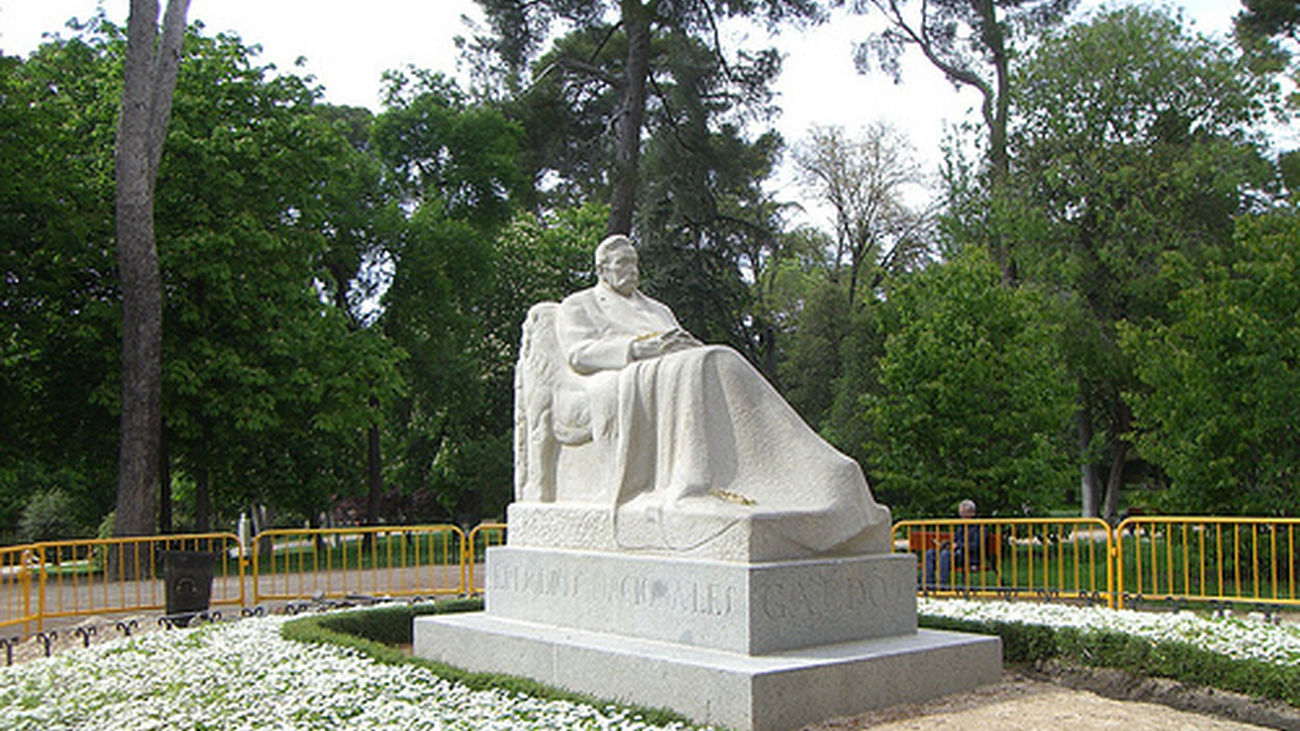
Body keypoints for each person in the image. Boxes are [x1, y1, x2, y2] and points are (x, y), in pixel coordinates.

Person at [549, 233, 890, 553]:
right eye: (624, 263)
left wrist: (676, 345)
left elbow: (682, 340)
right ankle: (694, 478)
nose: (632, 271)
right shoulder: (579, 305)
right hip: (625, 375)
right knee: (709, 363)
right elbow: (578, 354)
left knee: (715, 359)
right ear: (602, 268)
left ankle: (799, 471)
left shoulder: (657, 309)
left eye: (635, 263)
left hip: (677, 369)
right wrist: (638, 348)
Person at [923, 499, 986, 589]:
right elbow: (956, 540)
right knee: (930, 553)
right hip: (957, 554)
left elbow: (977, 545)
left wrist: (959, 545)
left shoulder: (980, 526)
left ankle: (942, 586)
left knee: (945, 555)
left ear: (971, 513)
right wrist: (948, 544)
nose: (961, 515)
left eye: (963, 513)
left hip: (970, 557)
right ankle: (927, 585)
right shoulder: (961, 526)